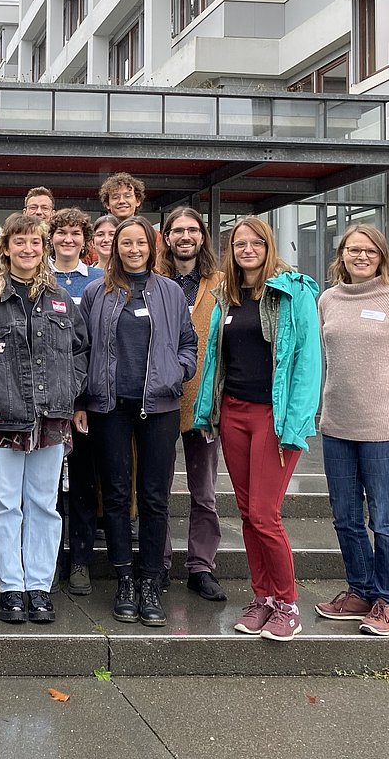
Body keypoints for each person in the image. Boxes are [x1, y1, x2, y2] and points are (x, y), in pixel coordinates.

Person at [0, 213, 88, 625]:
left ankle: (39, 588)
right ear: (6, 248)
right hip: (1, 422)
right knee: (6, 505)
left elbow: (81, 352)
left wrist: (68, 389)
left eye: (34, 243)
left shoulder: (61, 299)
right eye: (19, 242)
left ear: (43, 248)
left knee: (45, 506)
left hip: (51, 419)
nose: (27, 250)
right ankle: (11, 587)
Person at [193, 216, 321, 642]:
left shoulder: (293, 290)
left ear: (269, 246)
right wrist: (207, 411)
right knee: (247, 514)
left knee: (266, 515)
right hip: (234, 414)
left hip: (274, 417)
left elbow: (307, 361)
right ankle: (262, 597)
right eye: (239, 244)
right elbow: (215, 360)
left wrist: (296, 423)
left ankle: (288, 604)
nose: (247, 249)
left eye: (255, 243)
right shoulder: (227, 295)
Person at [315, 224, 389, 637]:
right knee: (345, 517)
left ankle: (388, 601)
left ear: (383, 256)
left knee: (384, 519)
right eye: (352, 250)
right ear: (342, 255)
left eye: (369, 251)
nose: (360, 256)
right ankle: (360, 591)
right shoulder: (328, 299)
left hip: (387, 428)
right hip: (337, 425)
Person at [80, 216, 196, 627]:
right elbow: (83, 347)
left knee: (153, 497)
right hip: (108, 406)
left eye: (140, 243)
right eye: (125, 243)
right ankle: (124, 578)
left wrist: (178, 370)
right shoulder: (97, 291)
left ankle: (150, 579)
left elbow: (187, 341)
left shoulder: (169, 292)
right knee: (113, 494)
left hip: (159, 406)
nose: (132, 249)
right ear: (115, 248)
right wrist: (82, 398)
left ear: (152, 247)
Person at [156, 208, 227, 602]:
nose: (185, 236)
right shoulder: (154, 281)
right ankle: (160, 562)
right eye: (177, 230)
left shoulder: (221, 283)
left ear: (202, 237)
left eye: (192, 230)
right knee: (157, 491)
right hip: (162, 403)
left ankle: (201, 567)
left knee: (204, 493)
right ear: (166, 238)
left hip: (205, 404)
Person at [48, 208, 105, 596]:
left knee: (83, 483)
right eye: (61, 233)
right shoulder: (39, 275)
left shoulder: (99, 281)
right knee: (44, 489)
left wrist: (82, 394)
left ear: (85, 240)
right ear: (50, 237)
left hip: (84, 396)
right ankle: (47, 563)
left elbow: (96, 342)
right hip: (42, 398)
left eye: (75, 234)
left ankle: (81, 561)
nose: (68, 239)